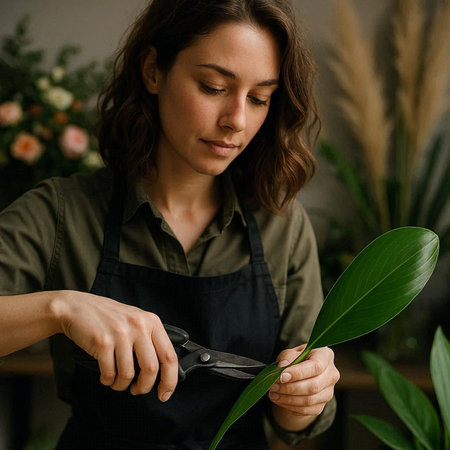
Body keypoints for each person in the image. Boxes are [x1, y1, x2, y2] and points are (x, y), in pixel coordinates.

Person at [0, 0, 340, 448]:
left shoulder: (282, 224)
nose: (236, 120)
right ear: (153, 71)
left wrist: (306, 394)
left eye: (259, 98)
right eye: (214, 87)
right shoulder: (62, 212)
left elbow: (294, 425)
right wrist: (60, 309)